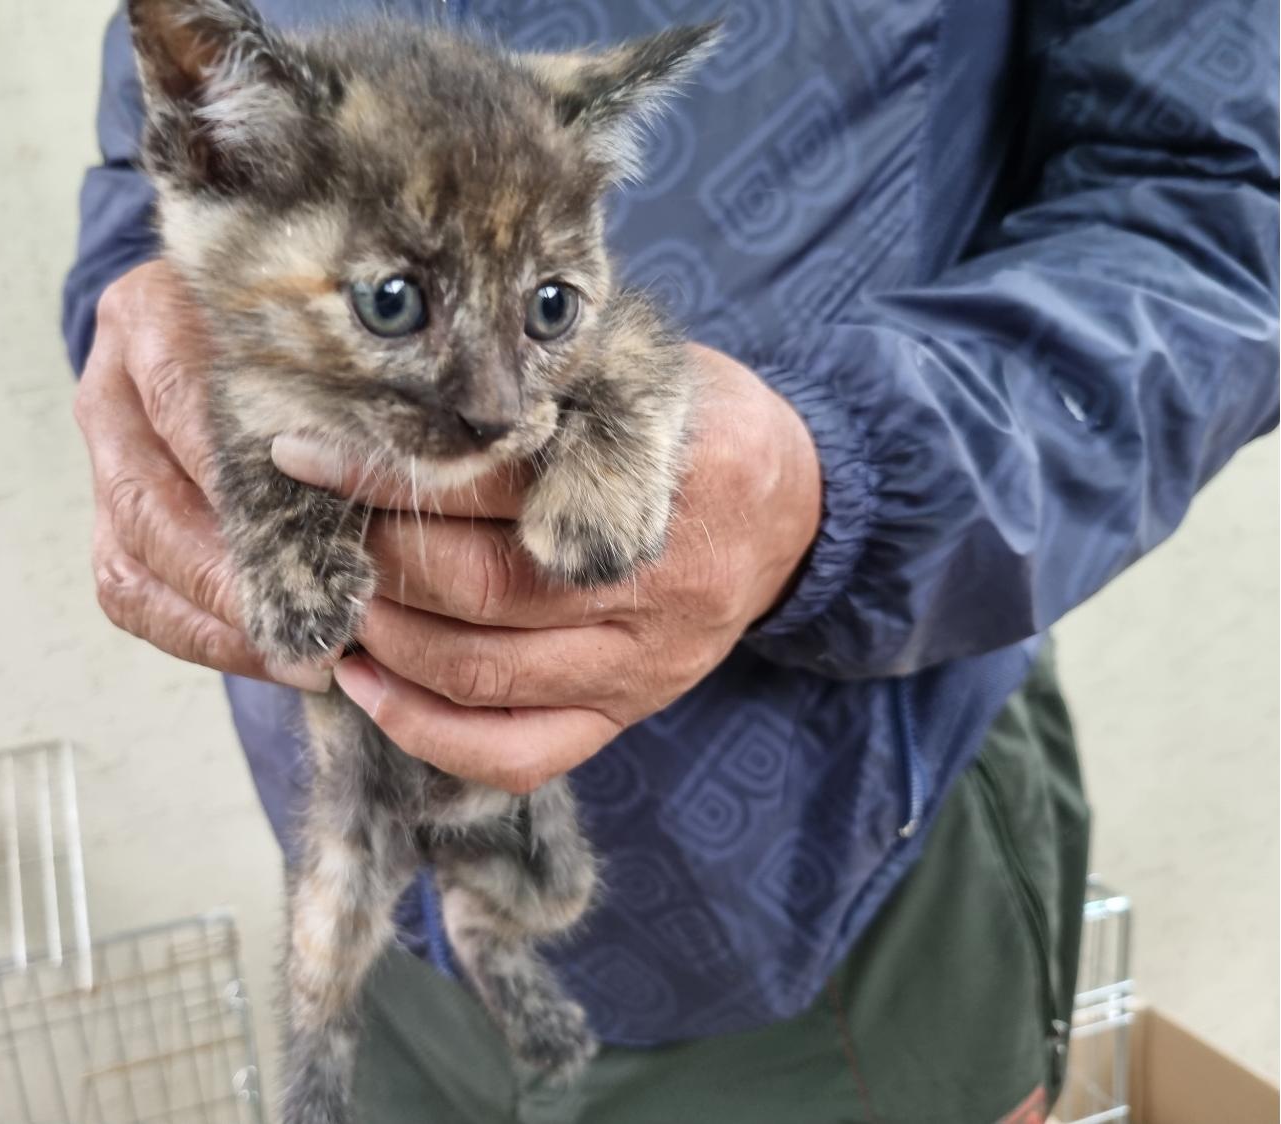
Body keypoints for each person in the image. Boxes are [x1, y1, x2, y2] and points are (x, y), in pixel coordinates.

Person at [63, 2, 1279, 1121]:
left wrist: (843, 480)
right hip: (381, 905)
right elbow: (157, 151)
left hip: (839, 864)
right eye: (394, 300)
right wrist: (146, 302)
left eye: (548, 313)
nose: (493, 414)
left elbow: (1225, 207)